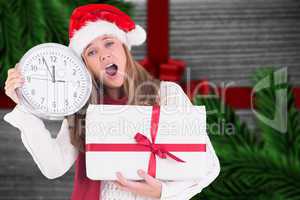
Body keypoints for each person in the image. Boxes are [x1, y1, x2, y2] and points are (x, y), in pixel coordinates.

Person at [4, 4, 220, 200]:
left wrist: (162, 191)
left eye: (109, 43)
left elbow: (208, 167)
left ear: (124, 49)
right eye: (91, 52)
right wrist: (25, 107)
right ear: (85, 65)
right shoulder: (82, 108)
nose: (104, 56)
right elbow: (54, 167)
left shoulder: (166, 95)